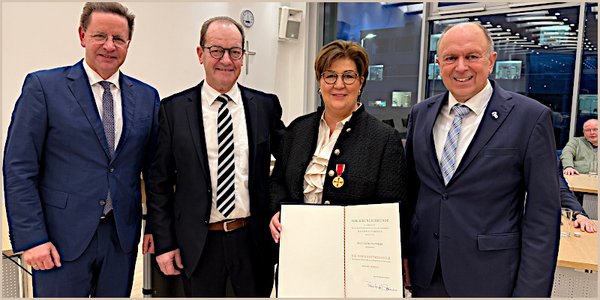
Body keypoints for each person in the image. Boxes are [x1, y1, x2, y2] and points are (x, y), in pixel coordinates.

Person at [3, 2, 158, 297]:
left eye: (119, 39)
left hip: (120, 240)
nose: (109, 46)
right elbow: (19, 167)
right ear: (82, 35)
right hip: (59, 240)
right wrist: (31, 238)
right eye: (100, 36)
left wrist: (156, 229)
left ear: (128, 44)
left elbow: (153, 172)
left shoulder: (147, 97)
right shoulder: (44, 87)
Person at [403, 22, 560, 297]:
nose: (461, 67)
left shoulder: (530, 118)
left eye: (472, 56)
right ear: (438, 63)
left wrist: (531, 293)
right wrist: (401, 254)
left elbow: (543, 217)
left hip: (491, 279)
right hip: (425, 275)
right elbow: (411, 193)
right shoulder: (421, 114)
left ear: (491, 61)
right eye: (451, 58)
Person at [146, 16, 286, 297]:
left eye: (235, 52)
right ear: (200, 54)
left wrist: (280, 208)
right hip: (196, 245)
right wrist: (164, 242)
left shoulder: (265, 106)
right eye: (216, 50)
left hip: (252, 242)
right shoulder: (173, 111)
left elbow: (287, 167)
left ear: (243, 56)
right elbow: (158, 183)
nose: (226, 60)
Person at [269, 40, 407, 242]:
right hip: (297, 247)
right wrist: (275, 210)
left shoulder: (384, 139)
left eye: (348, 76)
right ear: (320, 81)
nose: (339, 84)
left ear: (361, 83)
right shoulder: (298, 130)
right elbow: (278, 182)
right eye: (330, 75)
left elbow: (391, 212)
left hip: (353, 259)